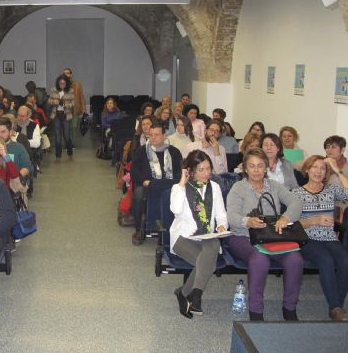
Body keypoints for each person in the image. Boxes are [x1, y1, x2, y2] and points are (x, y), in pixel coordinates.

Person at [226, 149, 303, 322]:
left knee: (295, 259)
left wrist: (286, 217)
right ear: (245, 168)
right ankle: (256, 311)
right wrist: (248, 221)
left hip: (272, 237)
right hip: (243, 236)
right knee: (260, 259)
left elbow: (296, 202)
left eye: (260, 166)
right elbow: (231, 217)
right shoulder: (238, 188)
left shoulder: (274, 186)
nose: (256, 170)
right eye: (251, 166)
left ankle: (289, 308)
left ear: (266, 168)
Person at [291, 155, 348, 321]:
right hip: (307, 239)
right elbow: (292, 224)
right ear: (307, 169)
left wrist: (337, 169)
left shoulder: (330, 190)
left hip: (329, 238)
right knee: (326, 261)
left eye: (322, 168)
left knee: (347, 261)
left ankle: (336, 306)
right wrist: (315, 220)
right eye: (315, 167)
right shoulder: (296, 193)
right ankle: (336, 308)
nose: (318, 171)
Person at [170, 151, 228, 318]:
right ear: (191, 171)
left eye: (208, 169)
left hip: (206, 237)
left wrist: (222, 226)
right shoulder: (179, 188)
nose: (206, 173)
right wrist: (182, 182)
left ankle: (191, 293)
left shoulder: (215, 188)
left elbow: (221, 214)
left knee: (214, 244)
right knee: (209, 263)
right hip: (183, 238)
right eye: (201, 170)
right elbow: (175, 209)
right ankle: (189, 294)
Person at [130, 123, 182, 245]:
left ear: (164, 136)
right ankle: (139, 229)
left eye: (157, 135)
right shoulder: (142, 151)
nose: (153, 138)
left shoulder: (174, 152)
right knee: (138, 195)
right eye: (150, 135)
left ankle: (173, 228)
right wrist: (143, 180)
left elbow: (180, 172)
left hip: (169, 185)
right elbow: (134, 170)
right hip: (148, 184)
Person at [323, 135, 348, 219]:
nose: (329, 150)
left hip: (341, 204)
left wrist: (336, 168)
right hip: (322, 203)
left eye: (333, 147)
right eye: (327, 147)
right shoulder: (321, 164)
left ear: (342, 150)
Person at [47, 74, 75, 163]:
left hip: (66, 114)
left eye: (63, 83)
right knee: (57, 136)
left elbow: (73, 103)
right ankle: (58, 156)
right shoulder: (53, 90)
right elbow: (49, 101)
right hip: (56, 115)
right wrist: (53, 101)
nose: (62, 85)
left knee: (67, 136)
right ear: (58, 83)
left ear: (66, 83)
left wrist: (67, 105)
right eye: (60, 83)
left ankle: (70, 154)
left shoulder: (70, 91)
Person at [63, 68, 86, 138]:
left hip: (75, 108)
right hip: (64, 109)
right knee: (66, 127)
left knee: (74, 127)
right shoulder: (61, 84)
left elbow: (81, 96)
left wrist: (84, 108)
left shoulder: (77, 84)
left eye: (67, 73)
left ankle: (72, 144)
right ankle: (68, 143)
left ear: (71, 74)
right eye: (64, 73)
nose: (66, 74)